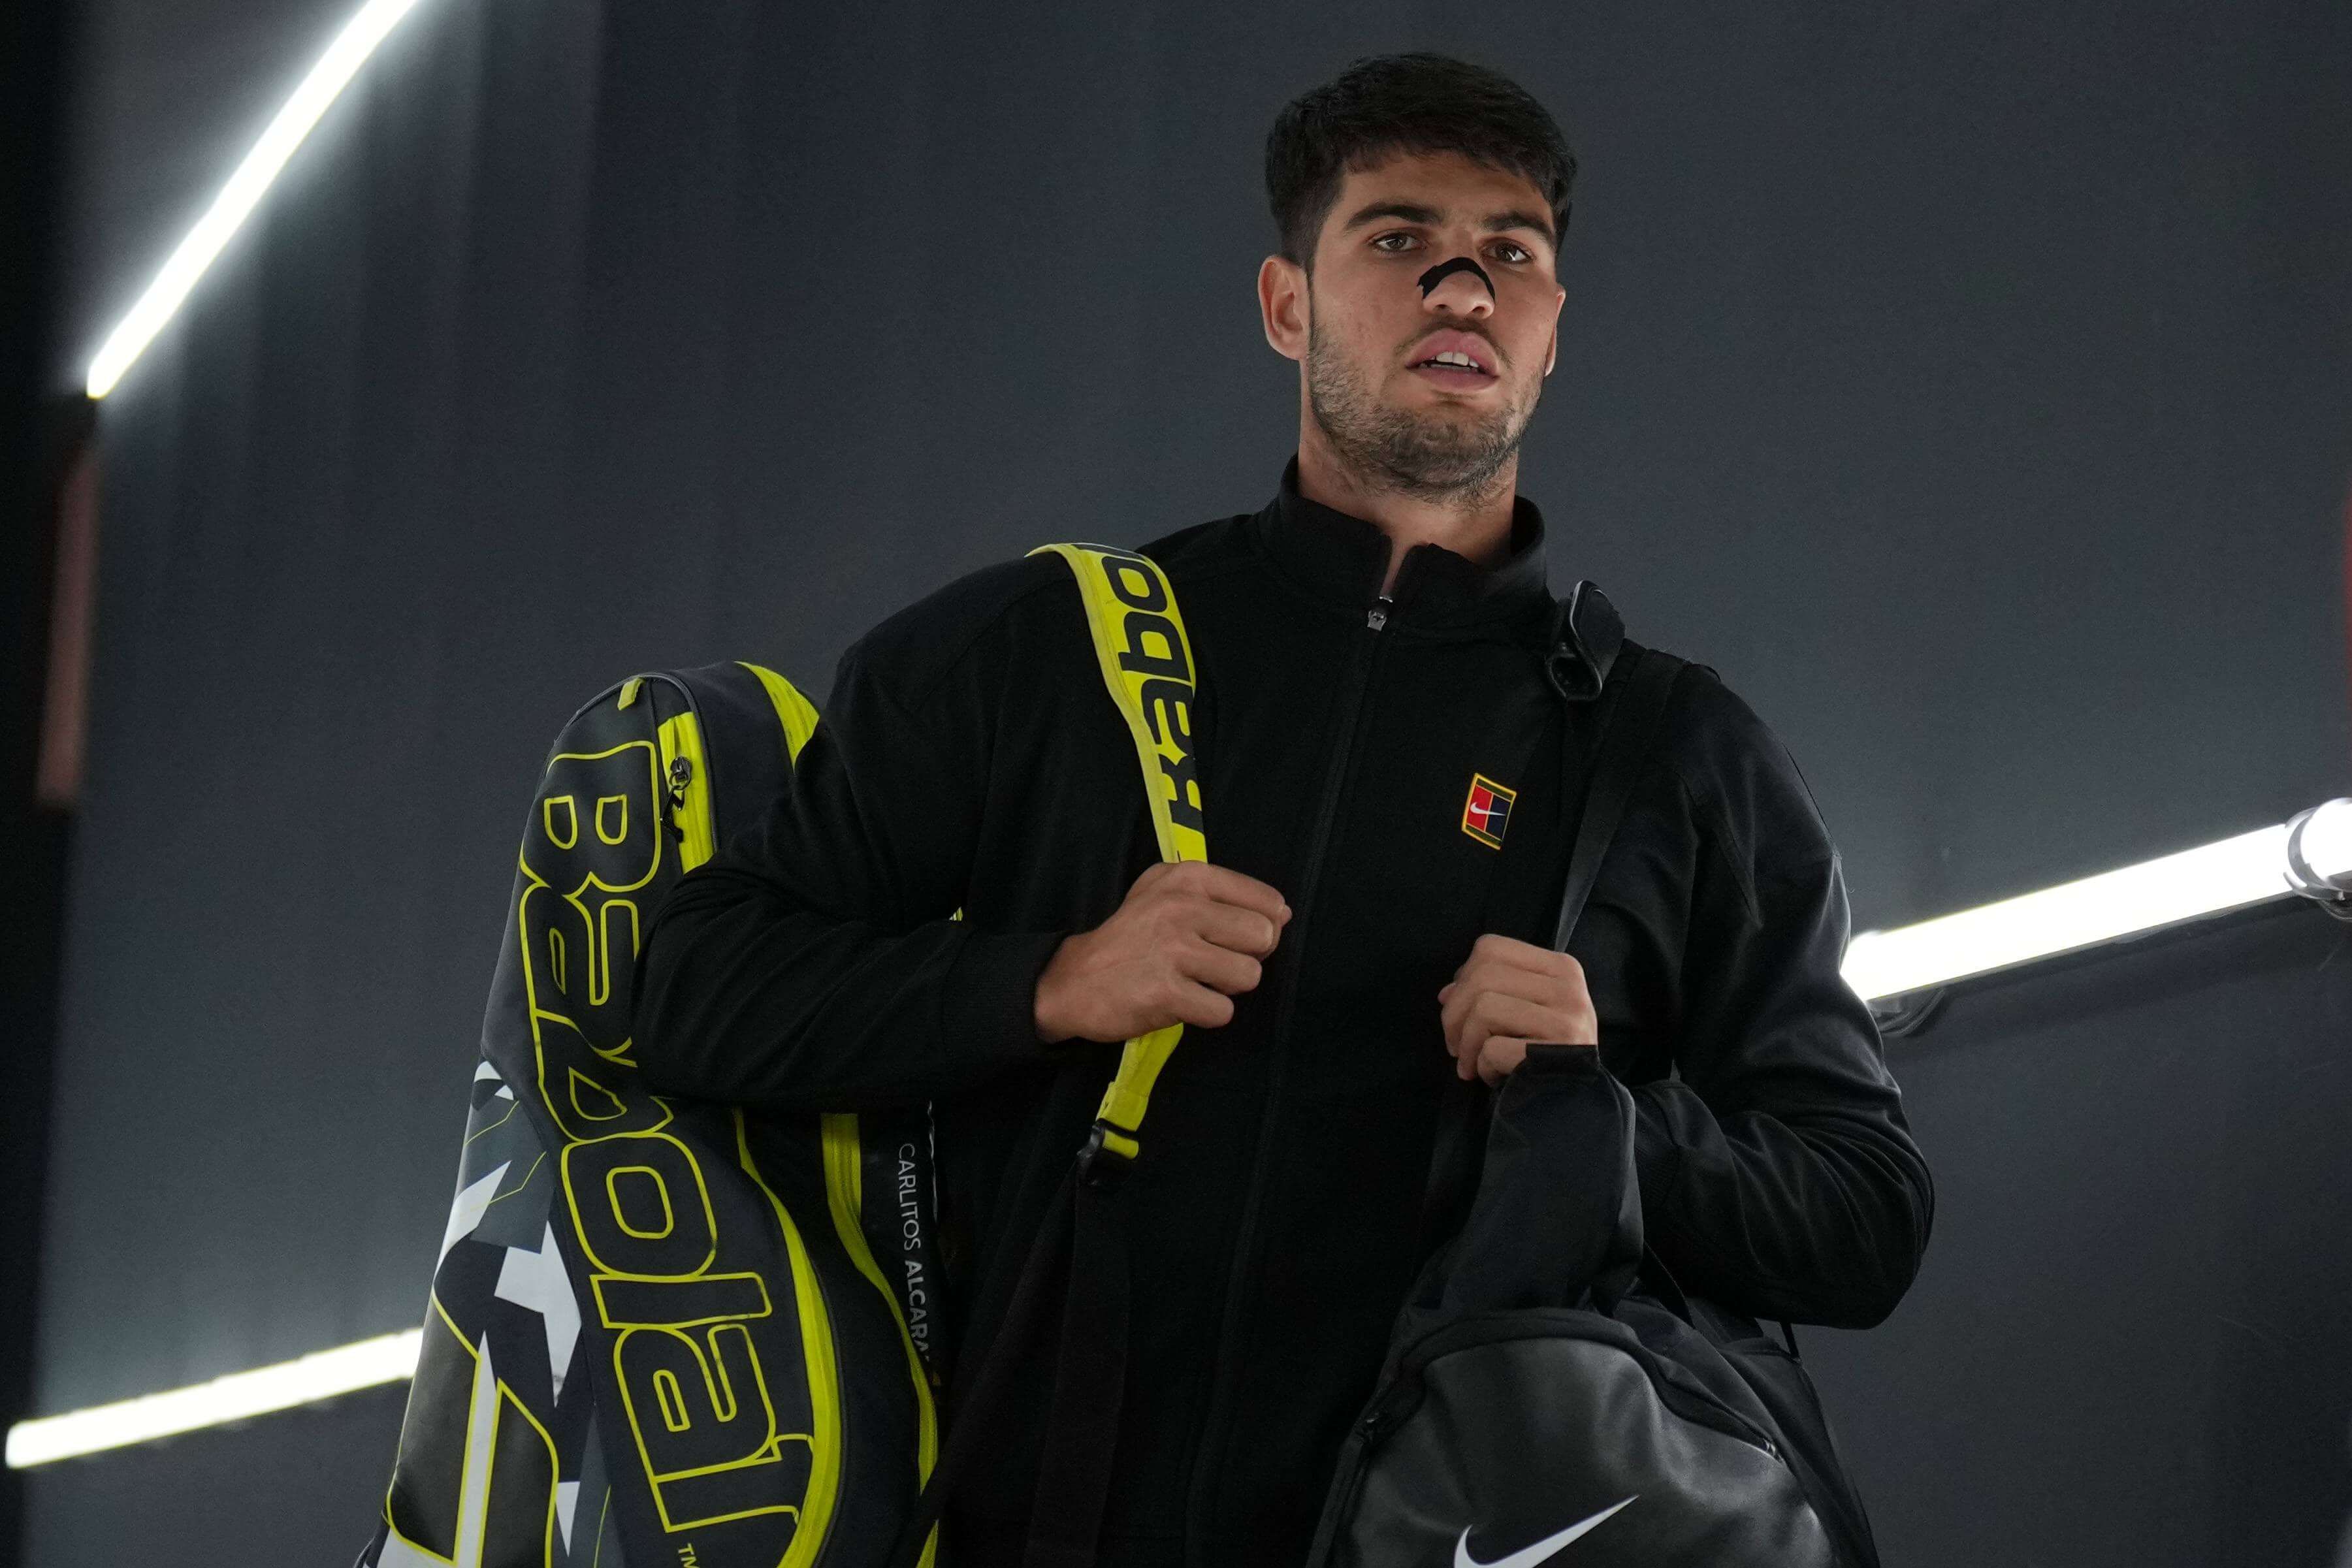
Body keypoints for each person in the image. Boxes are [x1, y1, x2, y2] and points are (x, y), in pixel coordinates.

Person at [632, 50, 1933, 1568]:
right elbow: (697, 988)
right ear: (1285, 304)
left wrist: (1609, 1117)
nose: (1462, 287)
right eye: (1397, 239)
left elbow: (1864, 1211)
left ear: (1552, 330)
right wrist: (1043, 982)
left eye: (1509, 254)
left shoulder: (1677, 750)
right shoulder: (1043, 651)